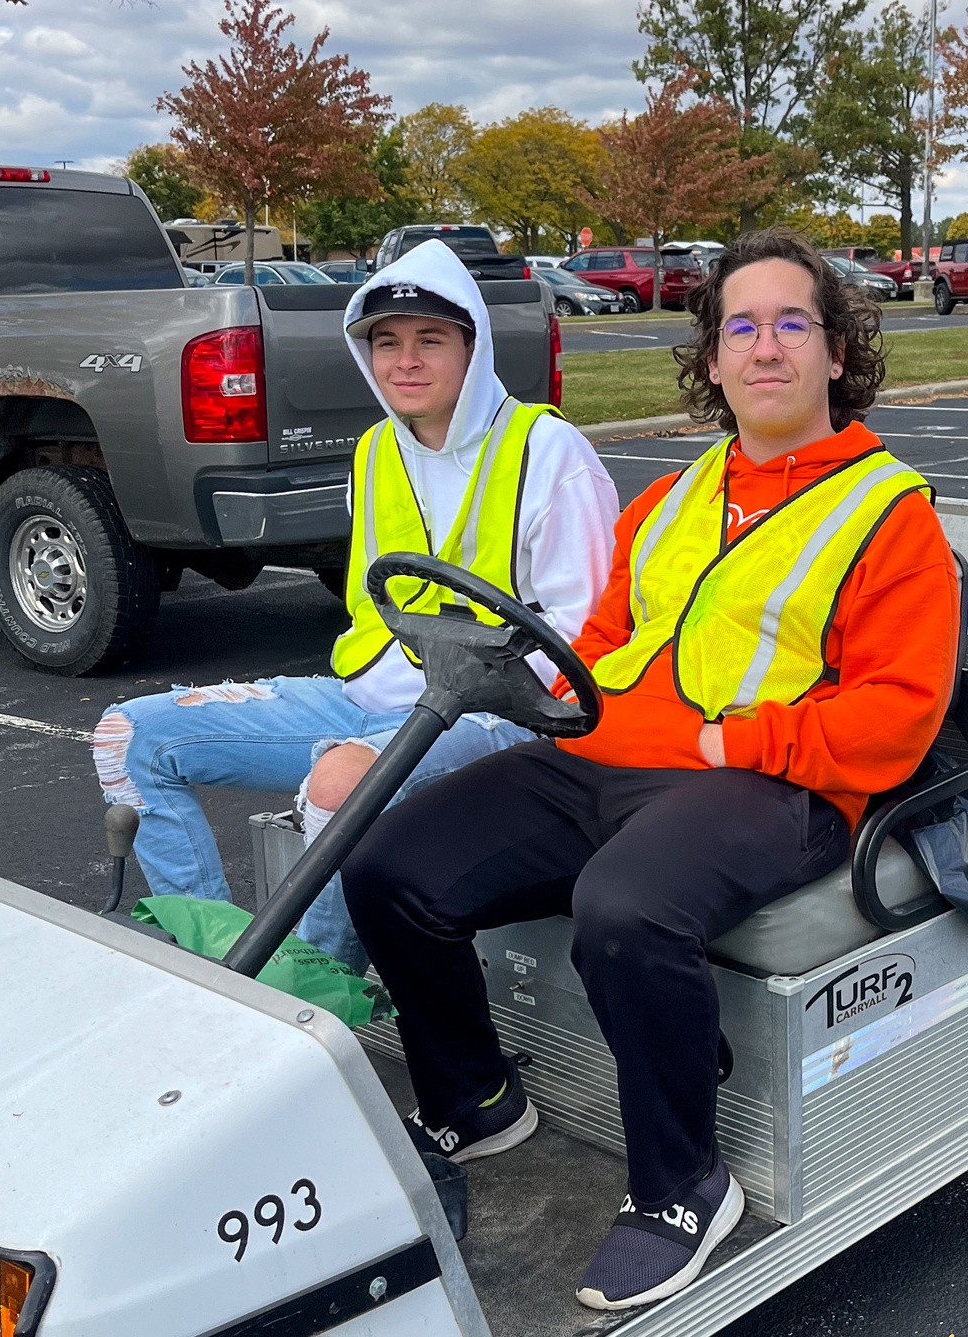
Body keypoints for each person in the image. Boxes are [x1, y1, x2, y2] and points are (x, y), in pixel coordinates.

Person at [342, 227, 964, 1310]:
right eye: (741, 327)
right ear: (712, 360)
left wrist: (736, 742)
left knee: (624, 906)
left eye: (792, 324)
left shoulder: (888, 514)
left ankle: (684, 1186)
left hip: (777, 785)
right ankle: (475, 1099)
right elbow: (604, 641)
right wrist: (552, 708)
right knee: (388, 863)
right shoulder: (671, 500)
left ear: (835, 353)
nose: (765, 346)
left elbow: (895, 721)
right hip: (610, 761)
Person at [92, 238, 618, 969]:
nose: (406, 361)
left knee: (339, 783)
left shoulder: (549, 451)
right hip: (366, 699)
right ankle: (209, 960)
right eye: (387, 342)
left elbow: (585, 631)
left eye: (430, 339)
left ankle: (312, 991)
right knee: (130, 738)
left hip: (496, 719)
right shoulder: (374, 451)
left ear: (473, 347)